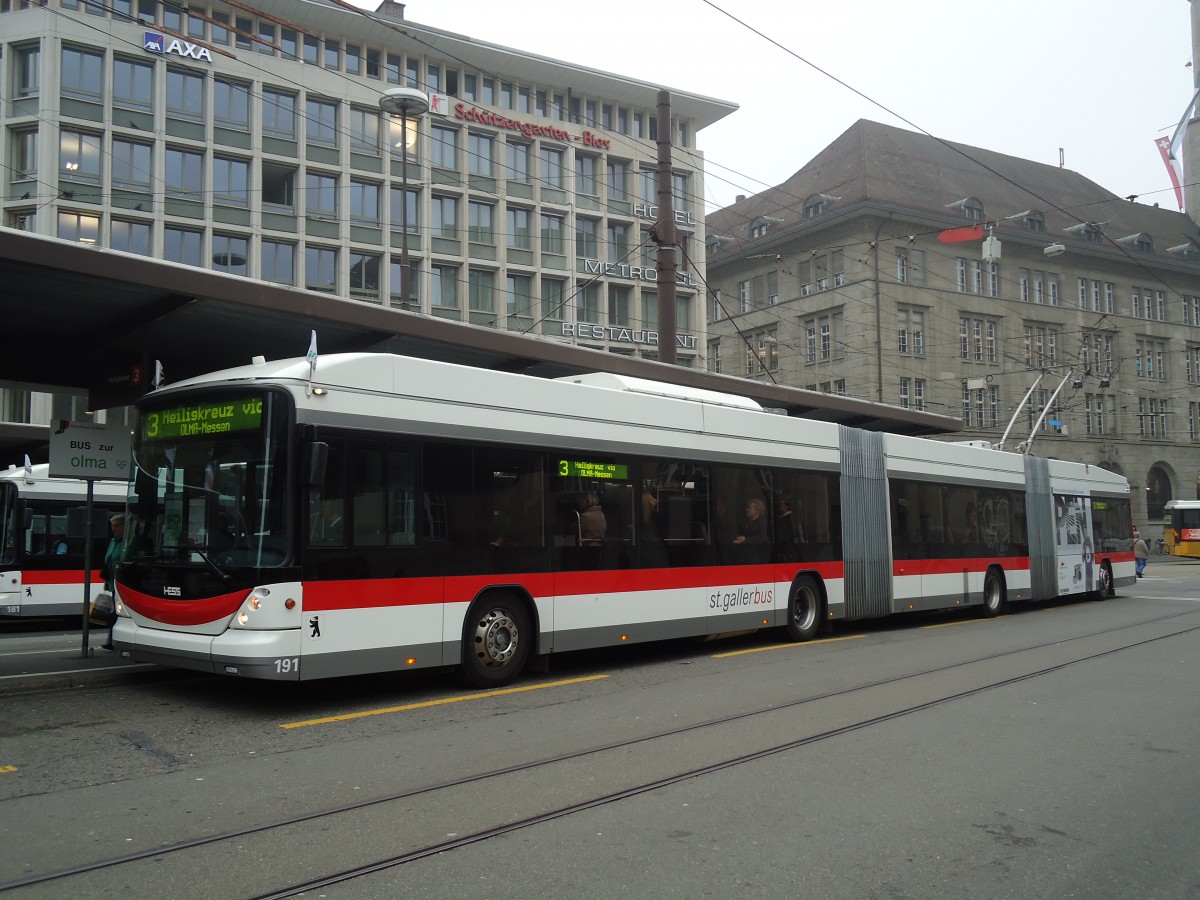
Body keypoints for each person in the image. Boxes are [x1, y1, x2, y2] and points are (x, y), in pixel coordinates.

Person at [98, 514, 124, 650]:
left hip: (123, 584)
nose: (113, 528)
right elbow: (108, 561)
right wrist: (107, 581)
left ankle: (112, 641)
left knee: (116, 613)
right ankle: (111, 640)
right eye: (112, 526)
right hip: (113, 582)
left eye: (117, 525)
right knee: (113, 613)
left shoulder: (126, 542)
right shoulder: (114, 541)